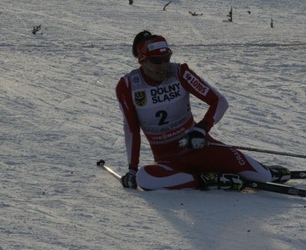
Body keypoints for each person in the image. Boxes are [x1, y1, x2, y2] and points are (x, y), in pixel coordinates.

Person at [116, 30, 290, 191]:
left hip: (199, 147)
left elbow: (219, 101)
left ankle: (265, 171)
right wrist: (132, 169)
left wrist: (201, 129)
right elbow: (132, 129)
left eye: (166, 59)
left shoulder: (180, 73)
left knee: (264, 178)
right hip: (168, 159)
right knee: (144, 179)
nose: (163, 66)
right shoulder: (128, 85)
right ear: (142, 60)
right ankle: (204, 179)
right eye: (156, 61)